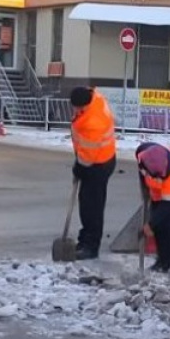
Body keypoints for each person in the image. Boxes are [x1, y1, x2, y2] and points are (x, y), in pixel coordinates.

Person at [70, 86, 117, 260]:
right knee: (86, 203)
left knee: (92, 207)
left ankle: (91, 246)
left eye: (77, 108)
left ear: (84, 106)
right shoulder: (95, 98)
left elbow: (88, 158)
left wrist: (79, 168)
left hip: (98, 165)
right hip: (98, 158)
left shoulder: (93, 123)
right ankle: (85, 239)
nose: (74, 111)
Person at [135, 141, 170, 273]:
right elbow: (141, 171)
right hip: (156, 191)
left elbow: (167, 206)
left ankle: (165, 262)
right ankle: (160, 258)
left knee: (166, 225)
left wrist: (150, 224)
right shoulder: (142, 153)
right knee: (158, 227)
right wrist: (145, 189)